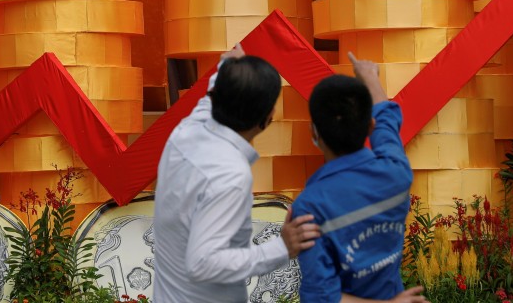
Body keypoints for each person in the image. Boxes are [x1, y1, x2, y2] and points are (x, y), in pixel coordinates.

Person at [154, 44, 321, 303]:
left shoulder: (186, 131)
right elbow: (203, 263)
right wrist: (281, 248)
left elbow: (210, 98)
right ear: (268, 118)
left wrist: (228, 66)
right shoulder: (229, 175)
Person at [292, 53, 427, 303]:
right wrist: (369, 76)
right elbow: (387, 120)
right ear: (370, 126)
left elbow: (321, 297)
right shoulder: (396, 172)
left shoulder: (309, 207)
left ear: (314, 133)